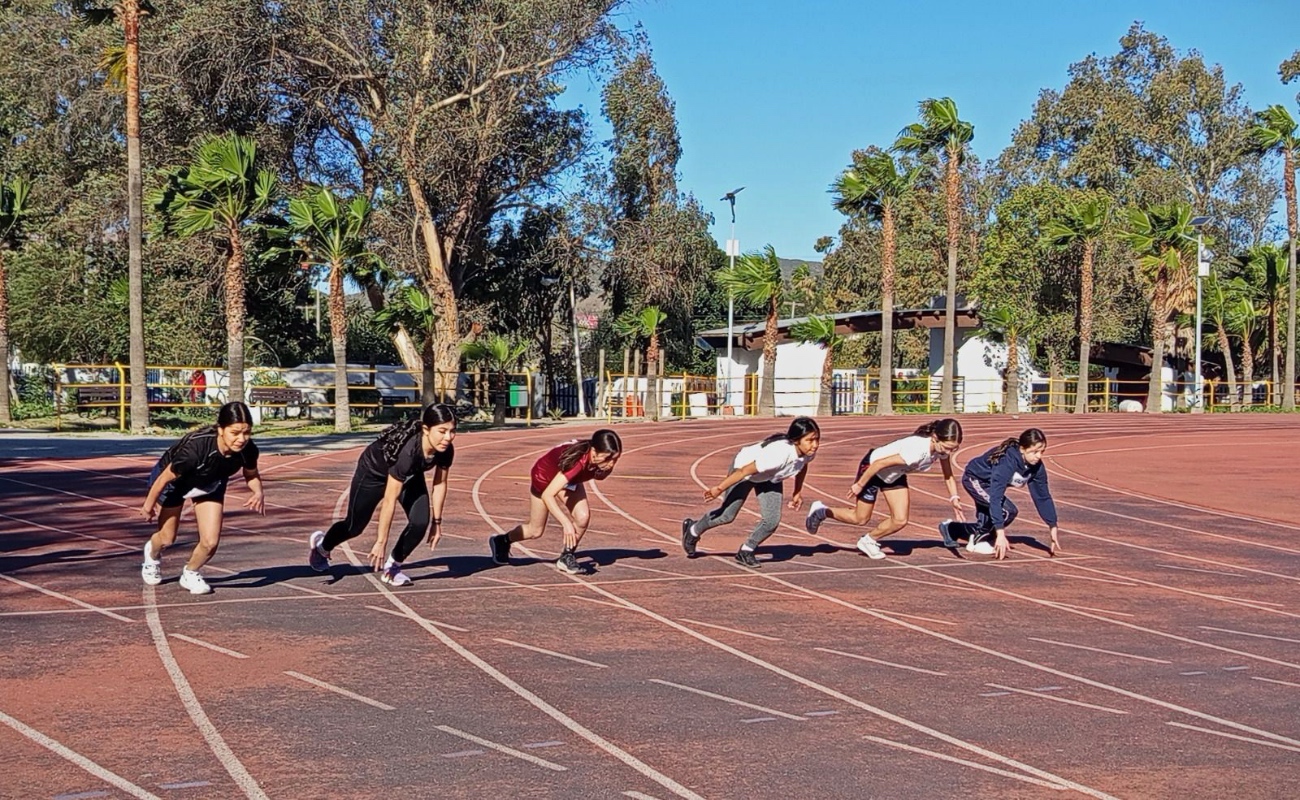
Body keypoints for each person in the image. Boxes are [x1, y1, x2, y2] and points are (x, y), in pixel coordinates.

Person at [308, 403, 456, 585]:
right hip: (373, 474)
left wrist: (437, 522)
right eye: (442, 431)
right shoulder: (407, 453)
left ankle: (392, 568)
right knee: (354, 526)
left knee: (420, 522)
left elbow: (440, 484)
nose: (448, 437)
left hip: (408, 475)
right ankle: (322, 548)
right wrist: (381, 541)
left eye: (452, 431)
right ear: (426, 429)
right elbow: (389, 501)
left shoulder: (445, 449)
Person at [140, 402, 264, 594]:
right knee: (167, 538)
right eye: (235, 432)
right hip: (175, 484)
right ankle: (152, 554)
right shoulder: (197, 449)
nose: (241, 439)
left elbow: (251, 474)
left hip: (210, 483)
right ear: (221, 430)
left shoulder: (248, 450)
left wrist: (257, 492)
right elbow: (164, 478)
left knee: (210, 541)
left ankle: (190, 572)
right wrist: (148, 506)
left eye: (246, 432)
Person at [805, 419, 962, 560]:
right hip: (873, 469)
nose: (948, 453)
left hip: (894, 474)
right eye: (947, 448)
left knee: (900, 520)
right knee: (860, 518)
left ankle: (868, 540)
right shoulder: (917, 450)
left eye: (953, 449)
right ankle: (821, 511)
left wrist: (954, 498)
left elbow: (948, 475)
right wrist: (860, 484)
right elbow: (878, 464)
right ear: (935, 438)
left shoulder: (941, 450)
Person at [681, 417, 821, 568]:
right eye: (810, 440)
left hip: (769, 477)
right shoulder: (778, 455)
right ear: (796, 440)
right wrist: (719, 489)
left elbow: (802, 466)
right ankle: (693, 530)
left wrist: (797, 492)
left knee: (771, 521)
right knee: (727, 515)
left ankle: (746, 551)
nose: (815, 445)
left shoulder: (808, 452)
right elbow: (743, 471)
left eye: (817, 439)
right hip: (745, 471)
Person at [488, 429, 623, 574]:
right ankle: (502, 541)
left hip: (567, 479)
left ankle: (567, 556)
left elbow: (598, 476)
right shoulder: (577, 462)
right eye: (608, 459)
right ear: (594, 451)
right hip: (544, 478)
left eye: (615, 459)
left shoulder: (597, 459)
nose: (611, 464)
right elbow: (548, 495)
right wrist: (566, 524)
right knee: (535, 531)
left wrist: (605, 468)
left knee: (582, 517)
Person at [938, 428, 1060, 560]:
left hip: (990, 485)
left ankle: (952, 529)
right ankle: (978, 540)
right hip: (975, 479)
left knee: (1007, 512)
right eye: (1034, 452)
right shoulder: (1007, 461)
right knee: (1006, 511)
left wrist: (1052, 525)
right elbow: (996, 496)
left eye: (1042, 452)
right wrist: (1001, 534)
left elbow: (1043, 497)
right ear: (1022, 449)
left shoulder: (1036, 467)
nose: (1038, 456)